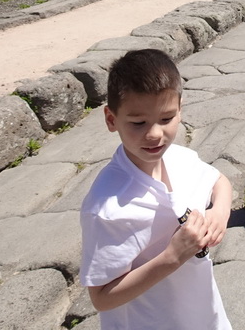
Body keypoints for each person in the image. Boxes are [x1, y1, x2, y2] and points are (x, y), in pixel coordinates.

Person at [80, 49, 233, 330]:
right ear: (111, 119)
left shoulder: (180, 159)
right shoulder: (108, 209)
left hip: (205, 315)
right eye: (138, 123)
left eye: (166, 119)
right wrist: (172, 257)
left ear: (180, 110)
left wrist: (219, 213)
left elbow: (219, 182)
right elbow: (101, 297)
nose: (154, 134)